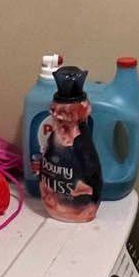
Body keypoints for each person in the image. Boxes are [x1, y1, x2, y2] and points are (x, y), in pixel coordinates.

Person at [38, 66, 102, 222]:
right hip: (57, 209)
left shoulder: (80, 141)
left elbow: (92, 179)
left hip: (82, 211)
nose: (64, 130)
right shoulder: (56, 139)